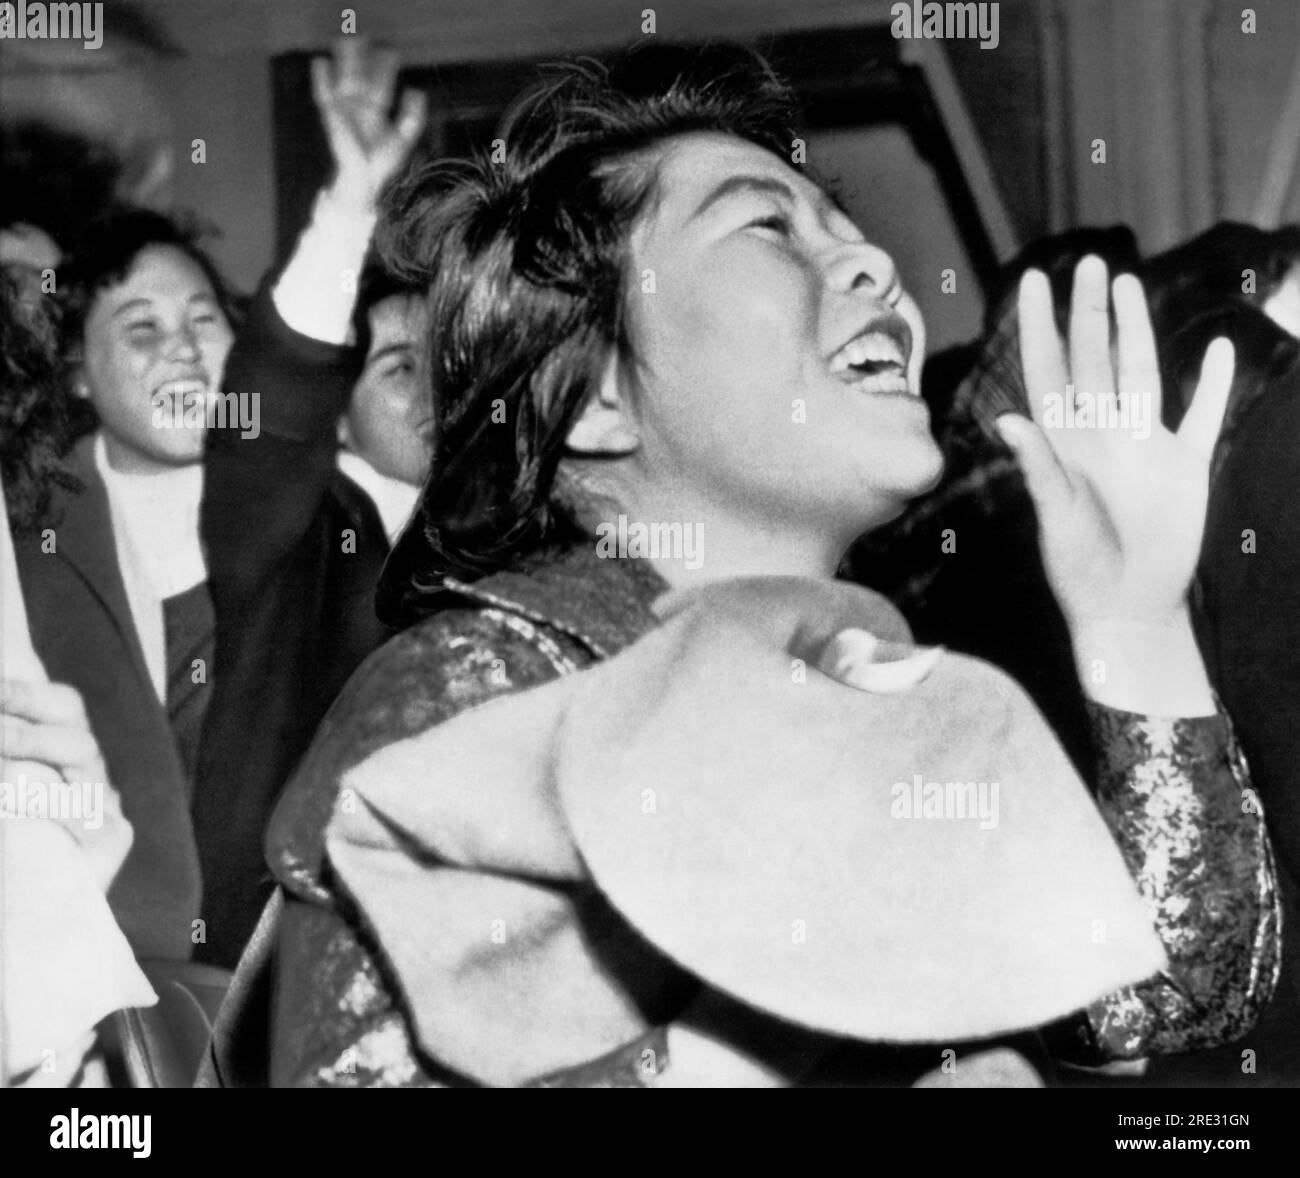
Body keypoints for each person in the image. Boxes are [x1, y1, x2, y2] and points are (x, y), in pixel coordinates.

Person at [263, 44, 1277, 1087]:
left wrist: (1133, 626)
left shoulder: (863, 688)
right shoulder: (473, 691)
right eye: (767, 226)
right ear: (598, 393)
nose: (876, 263)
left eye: (845, 227)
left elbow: (1164, 995)